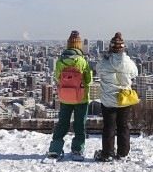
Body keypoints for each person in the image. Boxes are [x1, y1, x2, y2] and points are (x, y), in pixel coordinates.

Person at [47, 30, 92, 160]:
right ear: (79, 46)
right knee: (79, 125)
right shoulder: (82, 61)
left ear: (68, 45)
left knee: (62, 123)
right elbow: (89, 80)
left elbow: (57, 78)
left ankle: (55, 149)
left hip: (65, 97)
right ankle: (77, 150)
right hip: (81, 98)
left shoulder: (60, 61)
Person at [94, 32, 139, 162]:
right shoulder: (128, 63)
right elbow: (135, 73)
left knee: (109, 126)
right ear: (123, 48)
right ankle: (123, 152)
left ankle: (107, 153)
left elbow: (98, 70)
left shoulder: (104, 63)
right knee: (123, 125)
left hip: (109, 100)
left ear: (111, 47)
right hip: (124, 99)